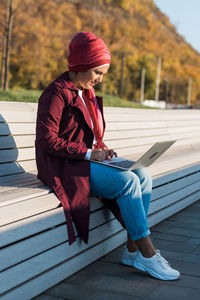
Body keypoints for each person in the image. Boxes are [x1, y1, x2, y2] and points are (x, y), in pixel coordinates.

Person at [35, 32, 180, 281]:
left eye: (103, 73)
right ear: (81, 65)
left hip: (82, 160)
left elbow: (84, 136)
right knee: (128, 182)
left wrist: (101, 150)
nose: (101, 79)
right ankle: (147, 254)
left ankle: (131, 251)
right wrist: (90, 153)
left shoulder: (87, 94)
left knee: (142, 175)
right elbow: (46, 140)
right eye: (97, 72)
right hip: (62, 166)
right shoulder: (56, 93)